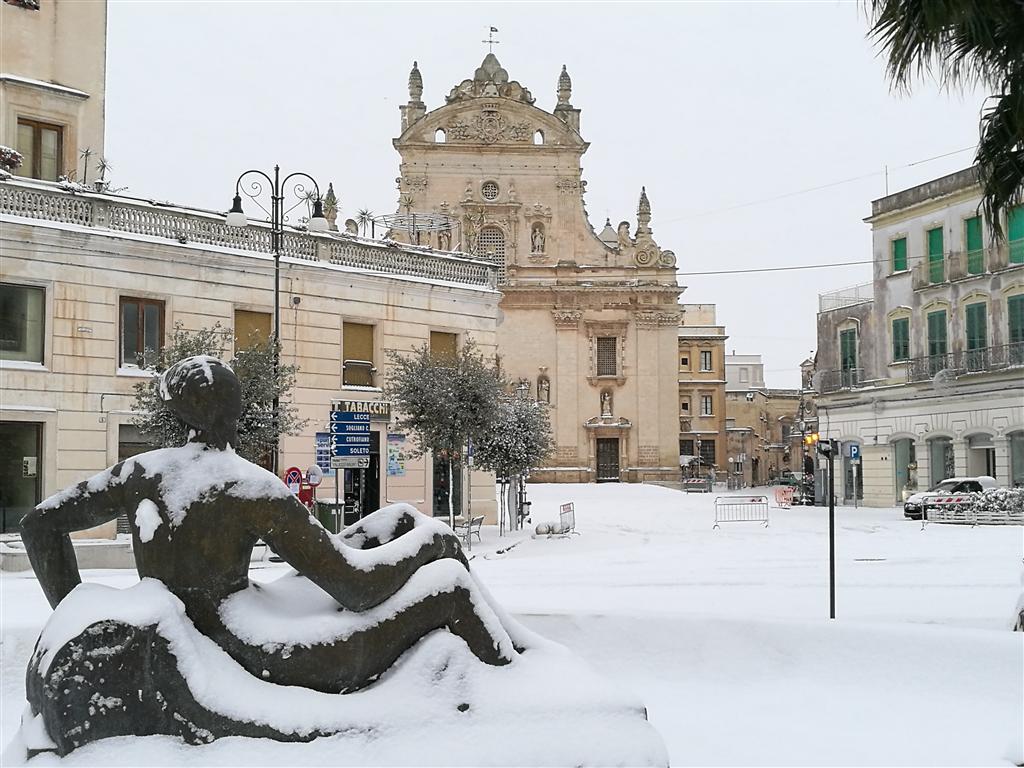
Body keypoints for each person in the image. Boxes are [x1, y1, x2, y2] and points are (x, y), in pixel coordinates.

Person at [22, 356, 516, 694]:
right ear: (238, 411)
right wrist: (432, 542)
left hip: (205, 629)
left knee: (399, 519)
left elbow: (38, 527)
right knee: (449, 582)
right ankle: (520, 686)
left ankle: (509, 649)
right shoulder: (249, 487)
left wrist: (74, 612)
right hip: (254, 651)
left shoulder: (141, 472)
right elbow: (356, 587)